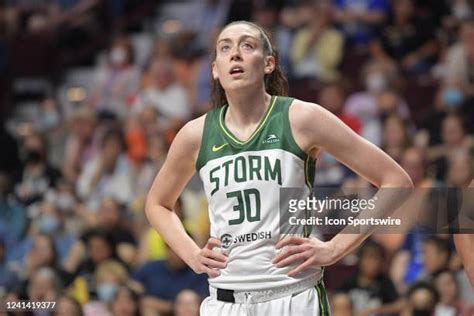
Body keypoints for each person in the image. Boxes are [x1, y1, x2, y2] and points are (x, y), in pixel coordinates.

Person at [145, 21, 413, 316]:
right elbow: (157, 203)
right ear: (214, 69)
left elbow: (396, 181)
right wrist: (192, 254)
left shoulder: (301, 118)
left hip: (292, 296)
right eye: (225, 48)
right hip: (225, 300)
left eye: (247, 46)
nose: (235, 54)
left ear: (268, 63)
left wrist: (336, 248)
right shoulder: (195, 135)